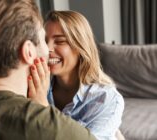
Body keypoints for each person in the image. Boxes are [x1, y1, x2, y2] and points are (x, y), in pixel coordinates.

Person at [0, 1, 96, 140]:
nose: (48, 49)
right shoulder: (53, 128)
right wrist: (43, 112)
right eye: (43, 39)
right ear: (29, 52)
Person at [28, 10, 124, 140]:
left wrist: (43, 109)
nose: (48, 49)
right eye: (45, 41)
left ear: (80, 47)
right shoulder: (35, 88)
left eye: (60, 41)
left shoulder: (106, 98)